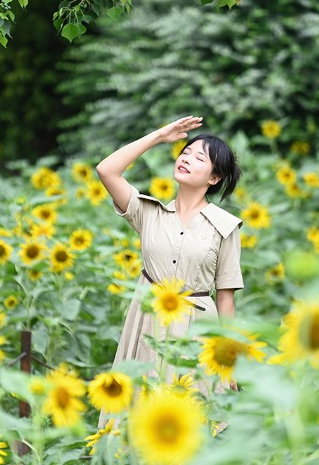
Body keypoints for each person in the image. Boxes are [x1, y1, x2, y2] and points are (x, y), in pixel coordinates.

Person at [95, 115, 244, 401]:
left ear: (214, 178)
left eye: (199, 158)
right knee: (139, 410)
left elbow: (226, 298)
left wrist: (229, 362)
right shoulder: (149, 212)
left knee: (192, 415)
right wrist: (159, 136)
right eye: (185, 152)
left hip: (197, 329)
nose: (186, 159)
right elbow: (106, 170)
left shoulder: (224, 227)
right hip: (147, 322)